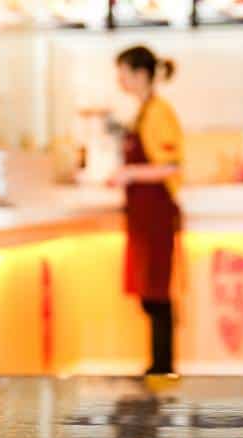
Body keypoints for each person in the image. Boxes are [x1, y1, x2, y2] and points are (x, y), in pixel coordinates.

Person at [109, 46, 183, 374]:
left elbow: (171, 165)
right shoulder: (143, 111)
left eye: (123, 72)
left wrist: (129, 173)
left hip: (156, 214)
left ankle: (162, 368)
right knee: (149, 293)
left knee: (157, 293)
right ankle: (159, 366)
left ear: (140, 74)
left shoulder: (158, 112)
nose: (120, 80)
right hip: (143, 215)